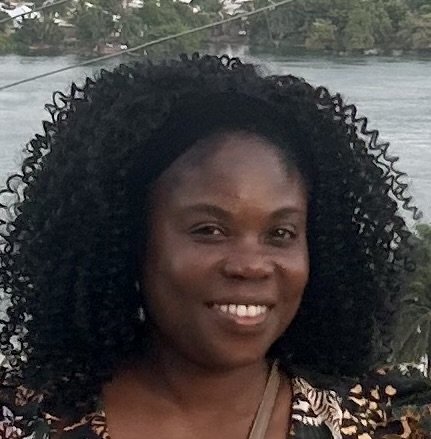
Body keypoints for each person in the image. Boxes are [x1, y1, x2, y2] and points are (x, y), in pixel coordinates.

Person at [0, 54, 429, 439]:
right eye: (209, 229)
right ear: (128, 238)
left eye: (281, 234)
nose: (252, 266)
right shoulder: (23, 421)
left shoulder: (388, 423)